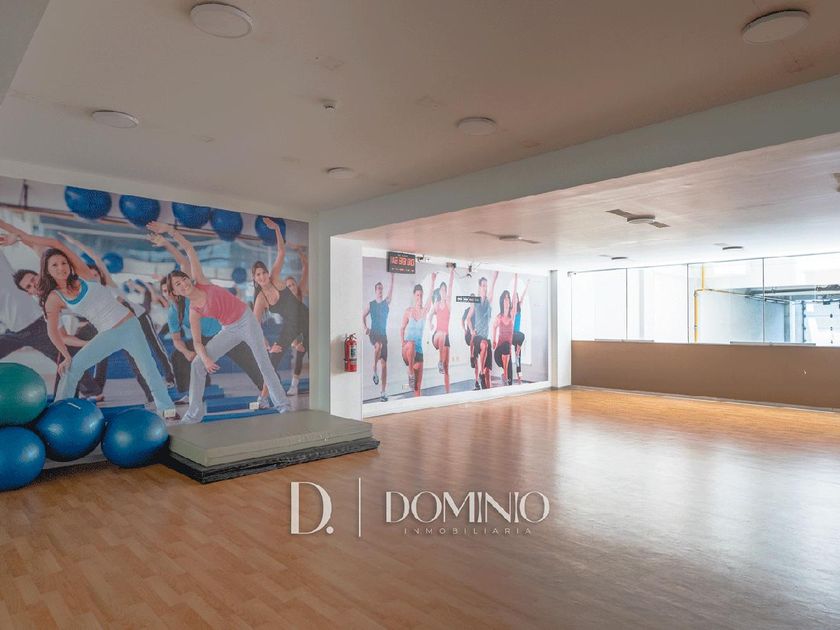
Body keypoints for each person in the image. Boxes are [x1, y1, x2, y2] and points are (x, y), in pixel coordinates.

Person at [4, 224, 176, 416]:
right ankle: (60, 413)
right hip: (107, 334)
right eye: (54, 265)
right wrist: (66, 355)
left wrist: (18, 237)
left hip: (131, 326)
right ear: (48, 271)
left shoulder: (83, 274)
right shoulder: (53, 298)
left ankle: (167, 410)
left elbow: (55, 243)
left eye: (63, 263)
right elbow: (53, 332)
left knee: (149, 370)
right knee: (71, 369)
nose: (61, 267)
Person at [148, 220, 290, 423]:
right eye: (178, 284)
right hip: (229, 329)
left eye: (183, 279)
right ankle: (193, 415)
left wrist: (170, 231)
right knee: (197, 364)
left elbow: (189, 249)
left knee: (263, 364)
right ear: (176, 292)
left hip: (246, 320)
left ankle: (283, 407)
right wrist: (206, 359)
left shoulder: (201, 281)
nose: (184, 283)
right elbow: (197, 342)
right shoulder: (193, 311)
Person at [59, 232, 175, 389]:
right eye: (91, 276)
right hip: (121, 325)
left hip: (139, 316)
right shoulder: (91, 295)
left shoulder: (108, 284)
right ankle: (99, 387)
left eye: (96, 274)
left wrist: (73, 242)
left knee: (155, 345)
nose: (94, 277)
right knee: (119, 354)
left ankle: (170, 376)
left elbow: (97, 259)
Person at [0, 235, 102, 399]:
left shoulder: (6, 272)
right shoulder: (40, 295)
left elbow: (37, 246)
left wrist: (16, 238)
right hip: (13, 331)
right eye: (29, 286)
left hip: (37, 326)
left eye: (32, 281)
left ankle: (93, 392)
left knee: (65, 358)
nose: (32, 285)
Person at [252, 218, 310, 403]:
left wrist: (277, 228)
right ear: (255, 278)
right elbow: (255, 325)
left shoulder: (275, 278)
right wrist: (267, 344)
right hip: (291, 326)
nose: (262, 276)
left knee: (313, 352)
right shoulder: (261, 299)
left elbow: (281, 251)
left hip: (306, 318)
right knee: (272, 360)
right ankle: (263, 397)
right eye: (258, 274)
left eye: (263, 272)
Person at [400, 273, 436, 396]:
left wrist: (433, 281)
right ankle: (410, 371)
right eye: (417, 295)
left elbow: (430, 298)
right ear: (414, 296)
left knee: (417, 387)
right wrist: (402, 343)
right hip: (407, 350)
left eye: (421, 295)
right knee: (412, 343)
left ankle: (417, 402)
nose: (419, 297)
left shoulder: (424, 312)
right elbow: (402, 328)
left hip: (418, 351)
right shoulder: (408, 311)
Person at [362, 273, 393, 402]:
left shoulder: (386, 303)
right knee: (378, 345)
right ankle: (374, 367)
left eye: (381, 288)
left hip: (383, 335)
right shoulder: (371, 304)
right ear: (375, 291)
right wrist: (365, 328)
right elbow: (362, 316)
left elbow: (391, 291)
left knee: (384, 365)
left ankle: (383, 393)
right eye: (378, 288)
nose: (380, 290)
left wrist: (392, 277)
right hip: (373, 334)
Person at [467, 271, 498, 389]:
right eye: (483, 286)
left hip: (486, 338)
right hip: (477, 338)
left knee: (488, 372)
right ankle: (480, 373)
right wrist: (471, 330)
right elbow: (468, 319)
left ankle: (487, 390)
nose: (485, 288)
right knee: (484, 344)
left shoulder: (488, 303)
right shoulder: (475, 302)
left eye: (486, 286)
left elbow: (492, 291)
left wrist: (494, 278)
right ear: (480, 287)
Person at [429, 268, 455, 393]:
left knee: (446, 367)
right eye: (442, 290)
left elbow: (451, 286)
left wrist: (452, 272)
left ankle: (447, 392)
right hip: (437, 336)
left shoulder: (448, 305)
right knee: (442, 333)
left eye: (445, 290)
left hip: (446, 338)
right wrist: (430, 324)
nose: (444, 292)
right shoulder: (437, 304)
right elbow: (429, 315)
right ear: (440, 292)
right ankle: (439, 361)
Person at [491, 276, 518, 386]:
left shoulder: (512, 315)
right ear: (502, 301)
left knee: (510, 382)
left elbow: (515, 298)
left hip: (507, 354)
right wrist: (494, 340)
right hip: (499, 353)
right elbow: (493, 327)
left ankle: (506, 376)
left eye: (508, 298)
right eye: (505, 298)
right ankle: (505, 375)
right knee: (506, 345)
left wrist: (516, 277)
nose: (507, 300)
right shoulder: (499, 317)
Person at [512, 277, 530, 384]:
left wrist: (527, 284)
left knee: (518, 357)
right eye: (513, 298)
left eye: (516, 298)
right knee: (522, 335)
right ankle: (518, 348)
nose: (515, 300)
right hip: (512, 335)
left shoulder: (519, 306)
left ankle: (519, 378)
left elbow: (523, 295)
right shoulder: (511, 309)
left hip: (517, 337)